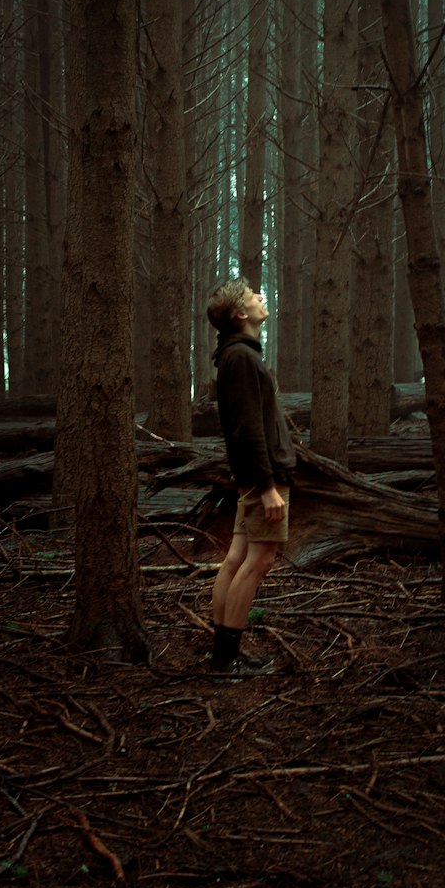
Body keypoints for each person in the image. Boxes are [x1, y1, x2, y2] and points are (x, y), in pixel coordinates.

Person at [206, 277, 296, 675]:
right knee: (258, 561)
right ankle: (226, 660)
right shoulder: (241, 358)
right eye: (252, 296)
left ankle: (222, 654)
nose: (262, 297)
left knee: (237, 557)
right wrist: (268, 487)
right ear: (240, 314)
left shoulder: (237, 355)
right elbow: (248, 428)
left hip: (254, 477)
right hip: (263, 479)